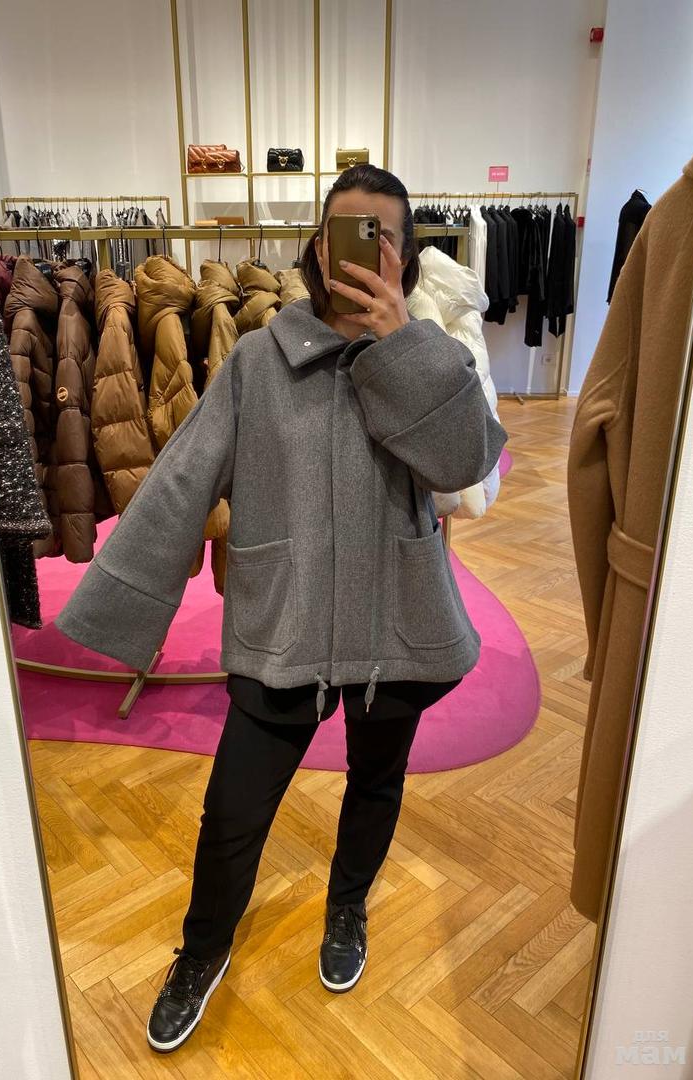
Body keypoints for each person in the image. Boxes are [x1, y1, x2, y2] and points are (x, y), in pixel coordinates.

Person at [55, 164, 507, 1054]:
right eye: (346, 234)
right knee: (232, 810)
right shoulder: (260, 362)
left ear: (409, 257)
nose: (363, 255)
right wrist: (118, 605)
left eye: (383, 237)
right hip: (284, 622)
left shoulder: (435, 357)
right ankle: (202, 949)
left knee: (376, 782)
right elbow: (182, 478)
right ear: (317, 249)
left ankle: (347, 908)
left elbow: (464, 463)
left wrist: (400, 346)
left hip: (395, 619)